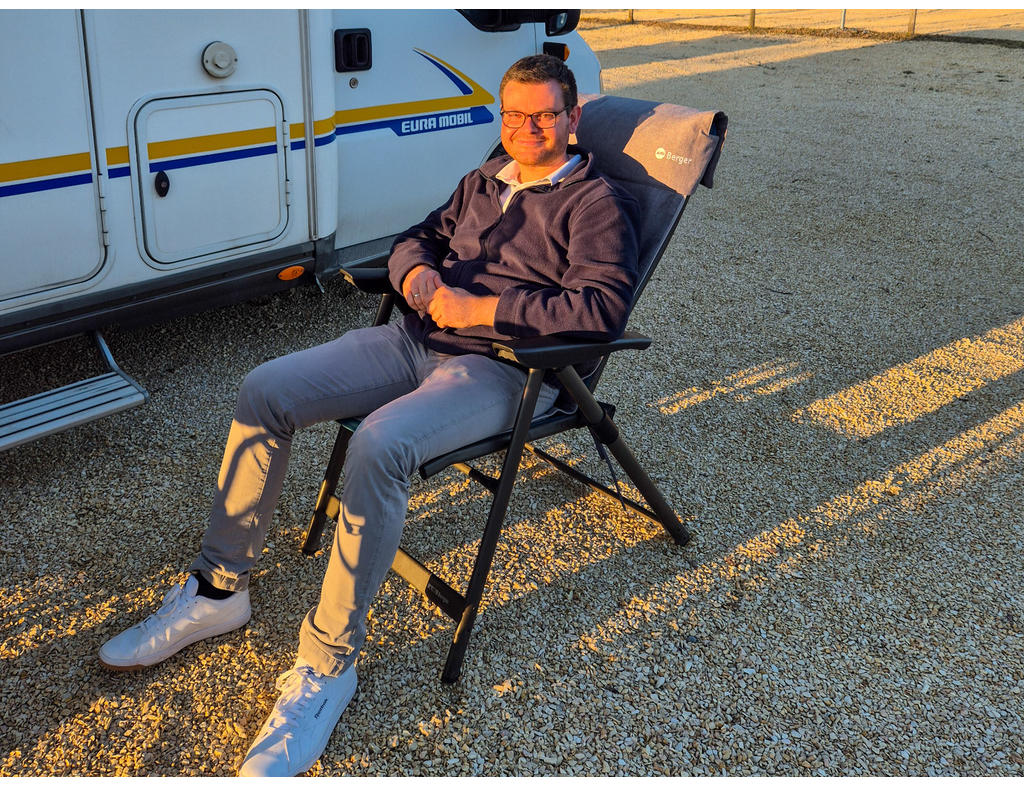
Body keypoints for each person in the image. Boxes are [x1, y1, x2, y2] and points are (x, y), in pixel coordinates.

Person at [98, 54, 639, 776]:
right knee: (266, 388)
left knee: (380, 446)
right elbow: (417, 238)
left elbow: (600, 310)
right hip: (413, 340)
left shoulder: (594, 204)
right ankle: (217, 589)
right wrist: (417, 276)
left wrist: (481, 309)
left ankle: (328, 664)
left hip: (508, 367)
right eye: (513, 114)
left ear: (572, 119)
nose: (526, 128)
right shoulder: (485, 179)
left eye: (543, 114)